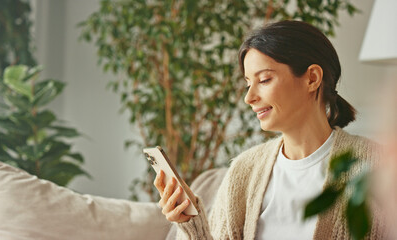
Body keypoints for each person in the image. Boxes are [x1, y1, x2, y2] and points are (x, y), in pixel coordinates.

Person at [154, 20, 386, 239]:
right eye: (248, 84)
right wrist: (192, 226)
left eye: (264, 80)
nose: (249, 97)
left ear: (312, 78)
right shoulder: (244, 171)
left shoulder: (376, 165)